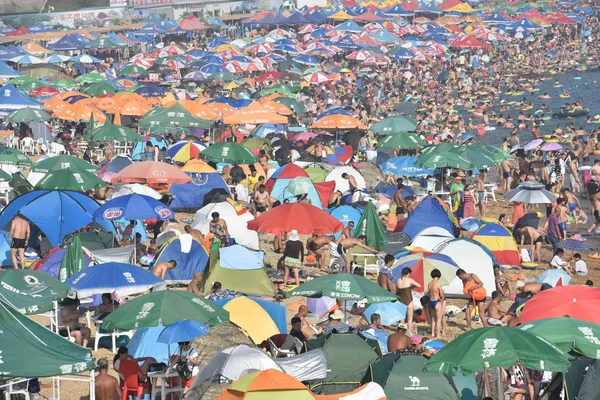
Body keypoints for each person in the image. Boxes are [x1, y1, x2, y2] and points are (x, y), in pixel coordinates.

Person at [396, 267, 421, 335]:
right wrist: (411, 286)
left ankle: (401, 331)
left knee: (402, 317)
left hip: (401, 299)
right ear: (408, 273)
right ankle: (409, 332)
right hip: (409, 299)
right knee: (410, 318)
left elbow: (397, 289)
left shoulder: (398, 280)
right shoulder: (409, 279)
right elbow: (419, 285)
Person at [428, 268, 446, 338]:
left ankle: (432, 333)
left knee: (433, 318)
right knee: (439, 319)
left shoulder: (429, 284)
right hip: (437, 301)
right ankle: (438, 334)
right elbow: (441, 295)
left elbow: (430, 293)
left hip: (431, 301)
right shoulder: (438, 284)